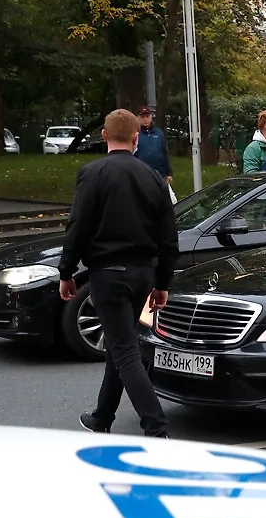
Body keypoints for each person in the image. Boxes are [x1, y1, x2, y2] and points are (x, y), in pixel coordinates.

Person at [58, 108, 179, 439]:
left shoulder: (93, 173)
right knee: (120, 345)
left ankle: (156, 427)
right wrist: (162, 282)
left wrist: (66, 271)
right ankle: (101, 418)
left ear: (104, 136)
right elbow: (169, 235)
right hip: (143, 274)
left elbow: (78, 226)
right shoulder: (153, 177)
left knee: (124, 351)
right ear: (136, 137)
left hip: (108, 275)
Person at [132, 106, 173, 186]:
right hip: (141, 174)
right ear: (137, 118)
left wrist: (169, 173)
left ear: (151, 117)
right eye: (142, 117)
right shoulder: (135, 134)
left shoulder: (159, 133)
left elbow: (165, 152)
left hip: (160, 174)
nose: (145, 119)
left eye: (147, 116)